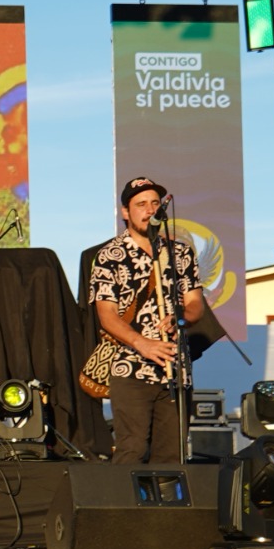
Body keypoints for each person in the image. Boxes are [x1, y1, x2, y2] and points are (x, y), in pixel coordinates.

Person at [88, 177, 212, 464]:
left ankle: (169, 511)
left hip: (175, 369)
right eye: (140, 204)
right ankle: (121, 509)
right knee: (131, 450)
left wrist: (182, 317)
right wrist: (142, 344)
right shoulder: (109, 256)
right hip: (130, 369)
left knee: (172, 456)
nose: (149, 209)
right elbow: (106, 316)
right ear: (125, 212)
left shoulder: (180, 253)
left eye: (154, 203)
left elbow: (195, 304)